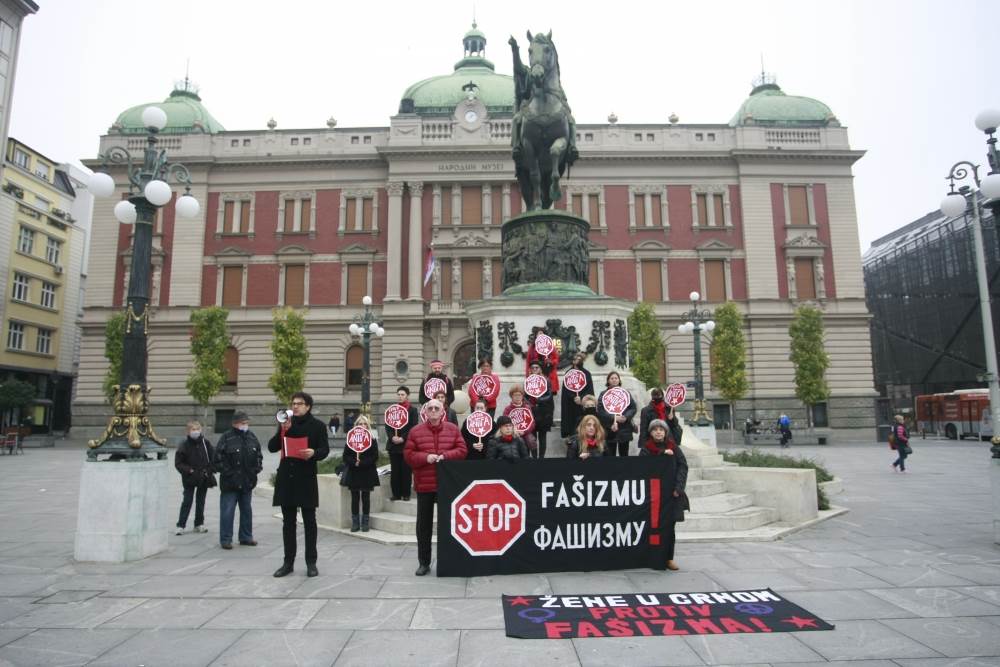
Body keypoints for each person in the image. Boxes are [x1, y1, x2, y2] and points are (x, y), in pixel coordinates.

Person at [267, 392, 330, 578]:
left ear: (308, 406)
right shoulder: (286, 423)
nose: (295, 406)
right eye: (293, 403)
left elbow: (324, 449)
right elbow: (272, 447)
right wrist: (282, 431)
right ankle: (288, 562)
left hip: (306, 478)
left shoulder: (317, 426)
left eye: (299, 403)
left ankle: (311, 562)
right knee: (288, 523)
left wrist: (314, 453)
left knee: (310, 522)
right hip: (287, 478)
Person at [404, 398, 467, 576]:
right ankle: (423, 563)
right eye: (430, 408)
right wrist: (426, 458)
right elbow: (408, 455)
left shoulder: (453, 429)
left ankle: (448, 561)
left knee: (448, 525)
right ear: (425, 412)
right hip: (424, 485)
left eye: (436, 408)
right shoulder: (415, 432)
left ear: (442, 412)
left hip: (446, 486)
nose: (433, 411)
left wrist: (446, 456)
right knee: (423, 526)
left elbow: (462, 450)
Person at [639, 419, 689, 571]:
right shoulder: (646, 449)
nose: (658, 432)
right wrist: (661, 454)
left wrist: (678, 487)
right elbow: (642, 467)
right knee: (652, 527)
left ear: (666, 432)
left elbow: (683, 466)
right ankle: (651, 557)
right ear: (651, 432)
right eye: (655, 429)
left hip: (671, 493)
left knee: (669, 527)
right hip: (653, 494)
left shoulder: (674, 447)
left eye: (661, 429)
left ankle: (668, 558)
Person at [213, 410, 263, 551]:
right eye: (243, 423)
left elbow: (258, 455)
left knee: (246, 510)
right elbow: (217, 459)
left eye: (247, 423)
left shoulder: (252, 437)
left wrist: (256, 470)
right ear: (235, 424)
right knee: (227, 511)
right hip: (230, 483)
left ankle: (246, 537)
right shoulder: (226, 437)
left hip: (247, 482)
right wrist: (229, 473)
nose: (245, 425)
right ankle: (226, 539)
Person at [174, 420, 216, 535]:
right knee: (187, 500)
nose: (196, 432)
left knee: (201, 501)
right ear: (188, 432)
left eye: (198, 429)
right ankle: (181, 525)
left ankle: (199, 524)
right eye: (193, 429)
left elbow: (213, 458)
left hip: (203, 476)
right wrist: (189, 470)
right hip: (190, 478)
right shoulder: (184, 445)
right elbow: (178, 463)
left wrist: (209, 470)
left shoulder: (205, 443)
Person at [343, 414, 379, 532]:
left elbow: (375, 456)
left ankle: (365, 522)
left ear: (367, 426)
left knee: (365, 497)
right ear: (356, 425)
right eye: (360, 424)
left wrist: (362, 463)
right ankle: (355, 522)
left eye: (364, 424)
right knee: (354, 498)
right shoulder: (350, 439)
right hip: (354, 471)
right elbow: (345, 456)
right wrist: (355, 462)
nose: (362, 426)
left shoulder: (372, 440)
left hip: (367, 471)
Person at [385, 386, 420, 501]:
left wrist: (403, 438)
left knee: (406, 470)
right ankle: (396, 494)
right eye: (399, 394)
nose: (400, 396)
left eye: (402, 394)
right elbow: (388, 426)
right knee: (395, 471)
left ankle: (406, 494)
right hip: (393, 446)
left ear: (407, 396)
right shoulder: (392, 409)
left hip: (406, 445)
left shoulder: (412, 410)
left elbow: (413, 427)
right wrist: (392, 437)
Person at [597, 371, 638, 457]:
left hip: (624, 429)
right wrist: (614, 417)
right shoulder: (603, 394)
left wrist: (626, 417)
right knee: (609, 456)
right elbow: (600, 411)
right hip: (610, 429)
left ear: (619, 380)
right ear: (608, 380)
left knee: (624, 455)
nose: (614, 380)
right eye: (612, 378)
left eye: (616, 378)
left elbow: (633, 408)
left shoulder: (625, 393)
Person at [560, 353, 595, 439]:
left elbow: (589, 389)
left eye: (580, 359)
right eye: (576, 359)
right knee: (572, 428)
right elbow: (566, 389)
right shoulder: (568, 373)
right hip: (570, 405)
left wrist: (582, 398)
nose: (577, 360)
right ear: (573, 361)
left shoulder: (586, 374)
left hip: (583, 406)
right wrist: (573, 397)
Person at [527, 360, 555, 458]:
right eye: (532, 368)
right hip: (532, 412)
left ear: (540, 369)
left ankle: (542, 458)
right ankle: (534, 458)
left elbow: (549, 395)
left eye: (537, 367)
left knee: (542, 437)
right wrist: (529, 404)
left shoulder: (546, 380)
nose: (534, 369)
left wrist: (539, 399)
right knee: (533, 437)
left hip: (543, 412)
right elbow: (525, 396)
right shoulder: (528, 381)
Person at [503, 384, 538, 455]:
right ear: (511, 396)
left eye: (519, 395)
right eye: (515, 395)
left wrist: (524, 431)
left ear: (522, 396)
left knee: (531, 441)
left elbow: (532, 423)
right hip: (513, 433)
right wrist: (514, 431)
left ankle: (535, 460)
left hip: (526, 432)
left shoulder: (527, 407)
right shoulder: (507, 409)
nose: (517, 397)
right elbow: (505, 423)